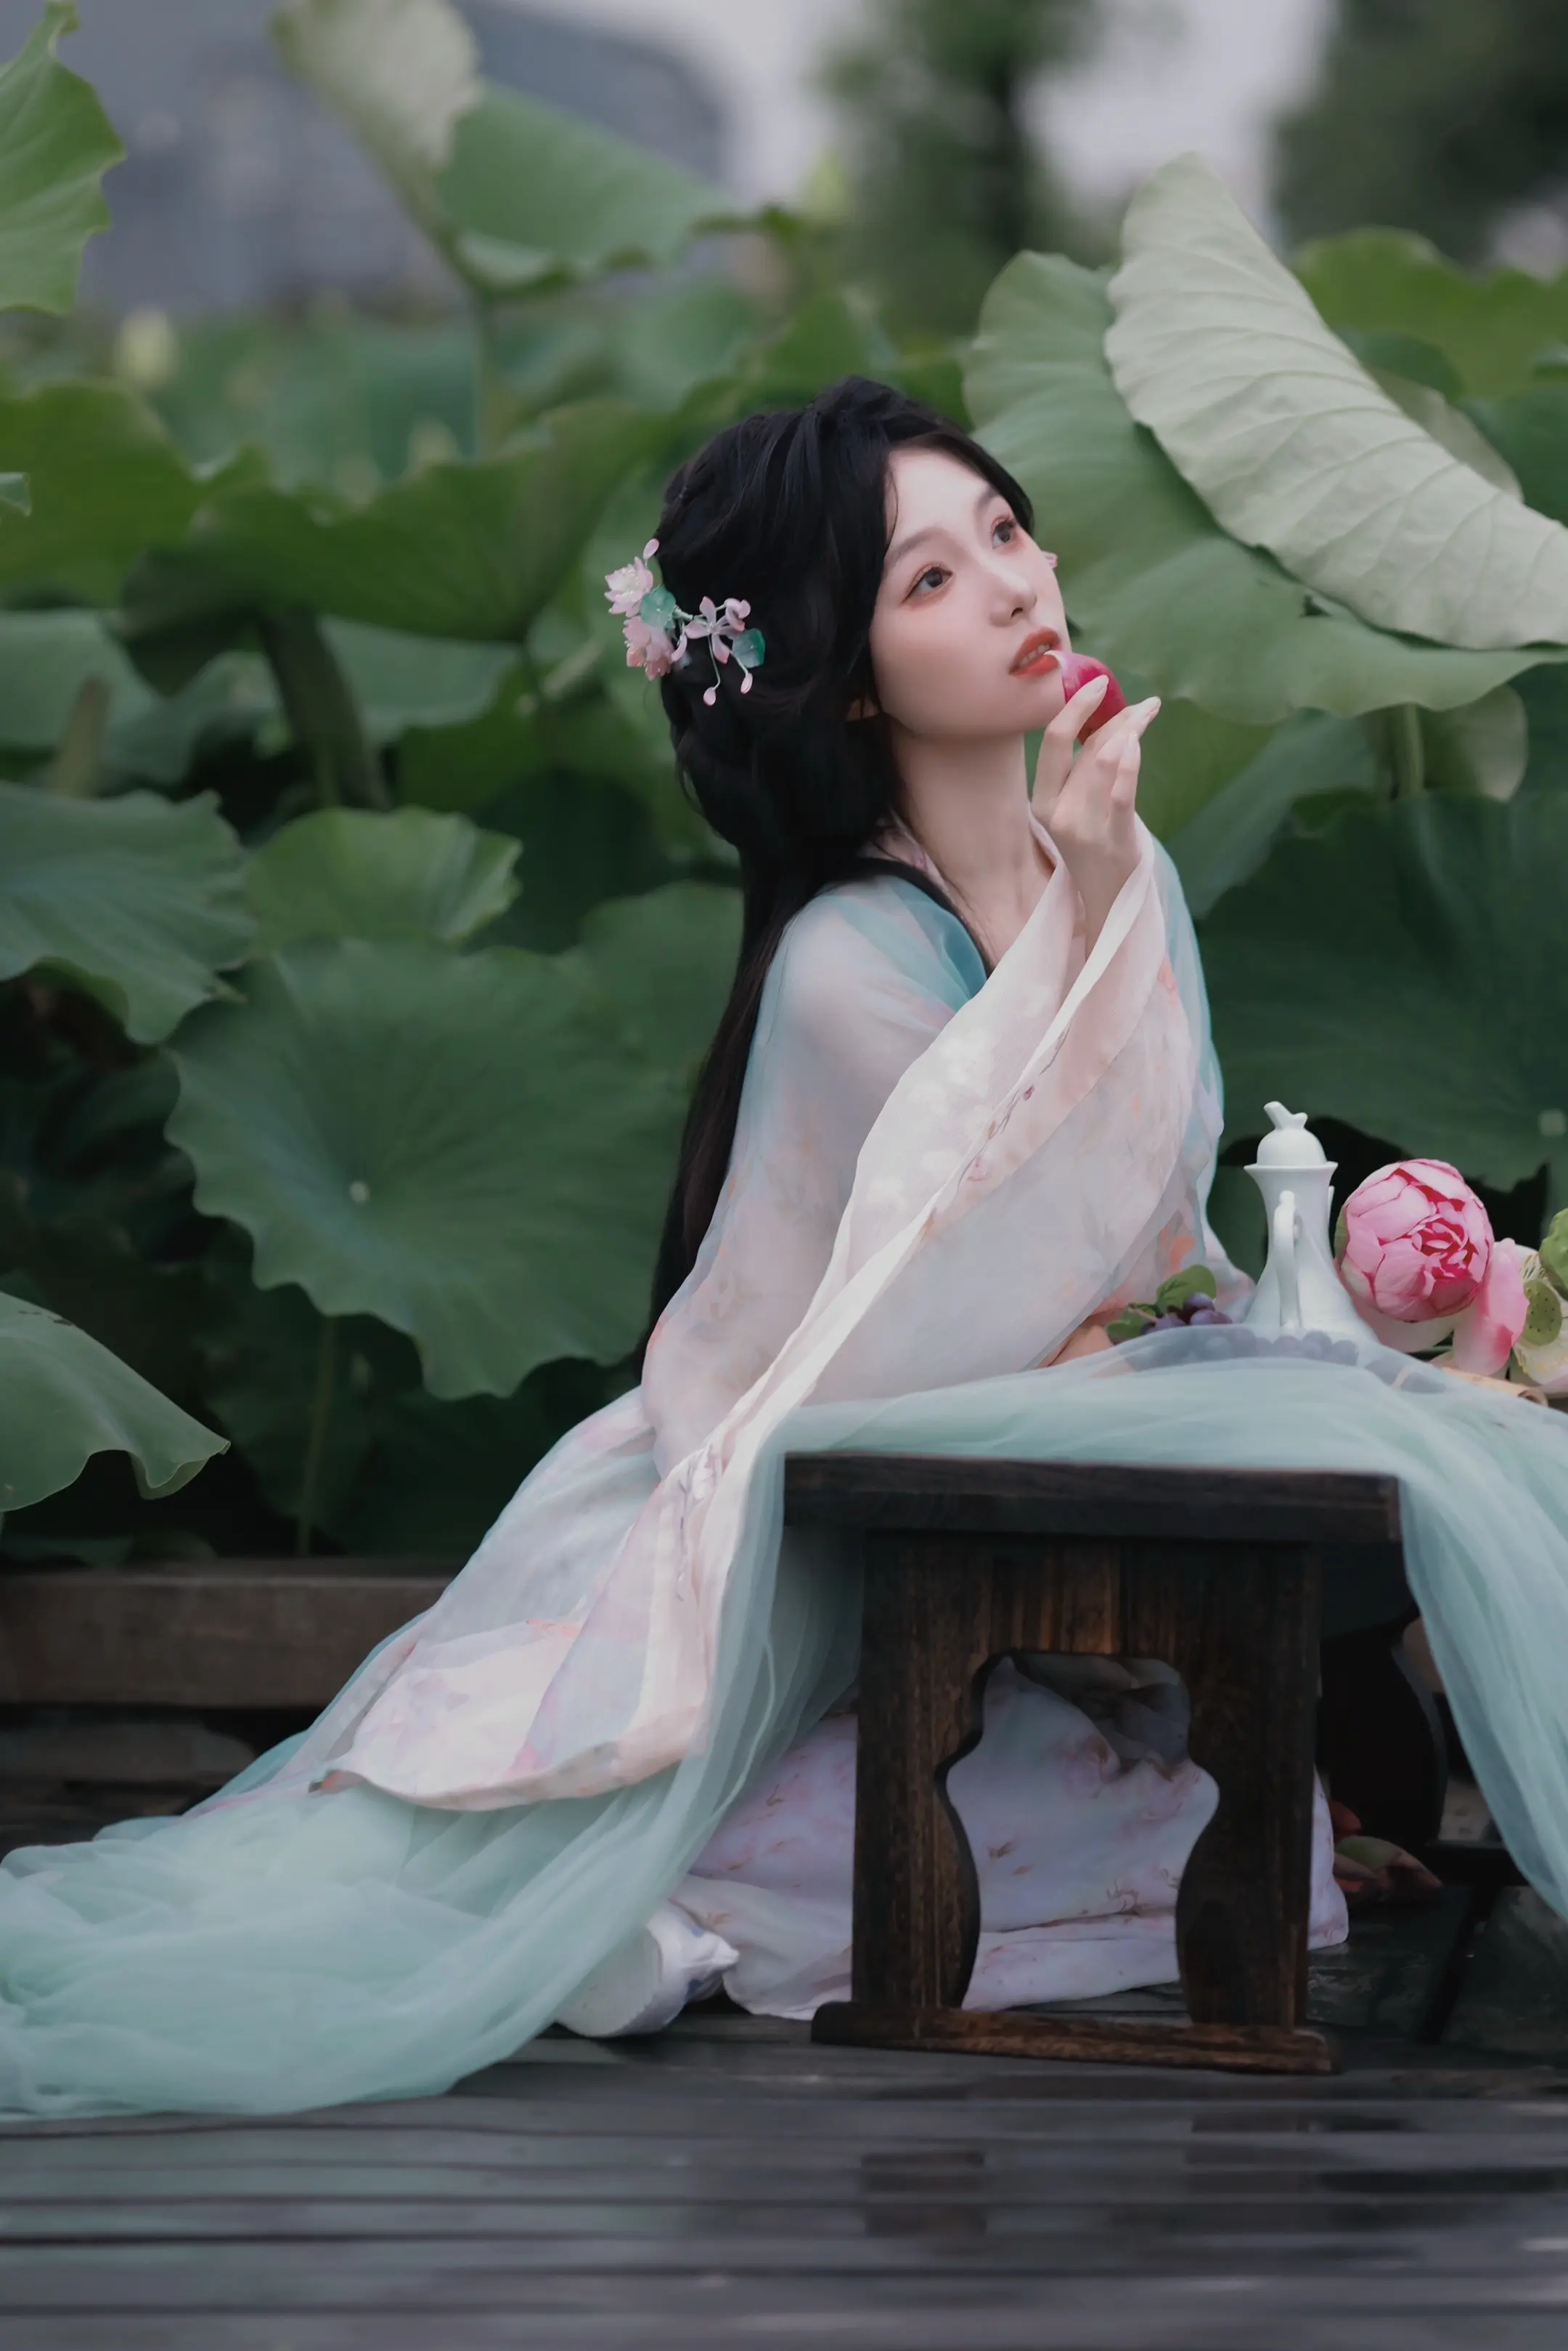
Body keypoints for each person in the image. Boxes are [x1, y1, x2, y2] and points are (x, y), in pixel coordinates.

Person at [4, 379, 1567, 2116]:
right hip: (785, 1525)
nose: (1012, 582)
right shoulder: (847, 966)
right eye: (930, 579)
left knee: (1233, 1776)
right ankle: (643, 1908)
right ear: (846, 676)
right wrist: (1095, 922)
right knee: (1127, 1824)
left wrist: (1291, 1285)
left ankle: (713, 1899)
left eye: (1004, 529)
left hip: (1010, 1492)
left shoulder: (1111, 870)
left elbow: (1148, 1245)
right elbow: (965, 1321)